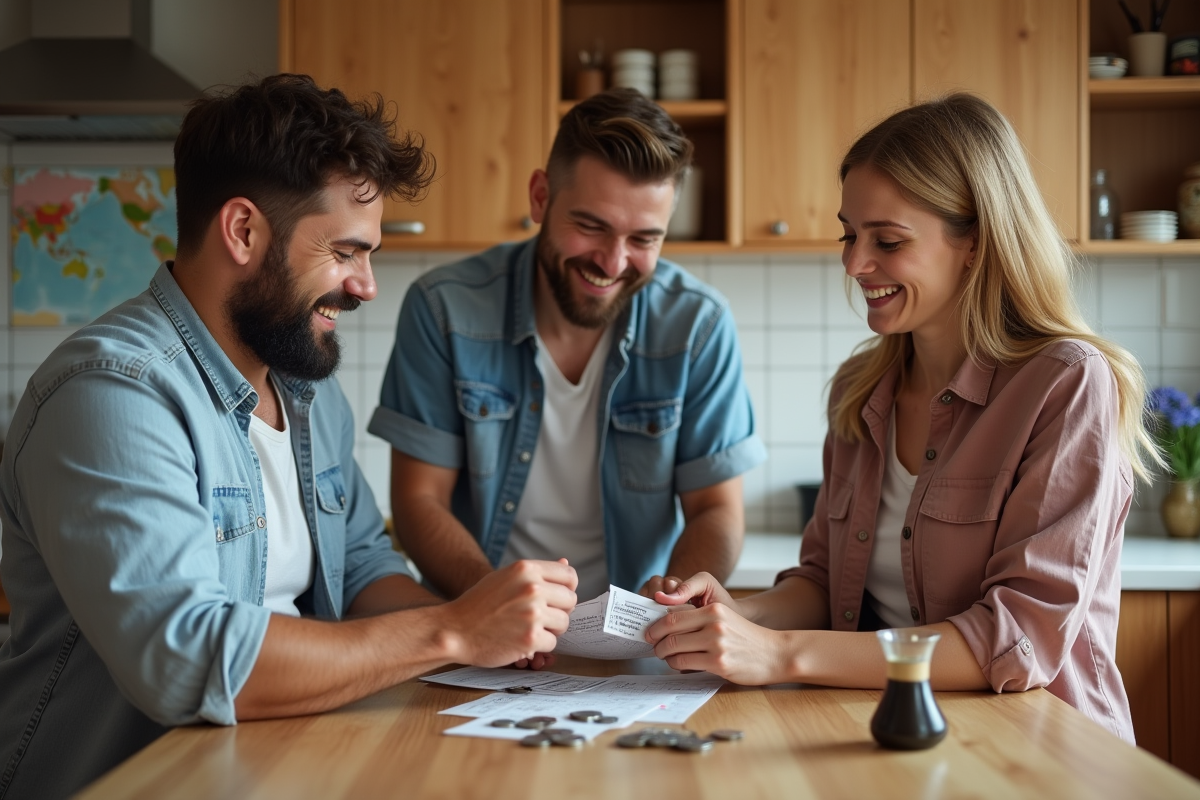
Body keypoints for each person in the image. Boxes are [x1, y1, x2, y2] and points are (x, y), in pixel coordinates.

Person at [0, 75, 577, 799]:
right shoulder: (112, 392)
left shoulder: (306, 388)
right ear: (243, 231)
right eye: (345, 251)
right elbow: (186, 661)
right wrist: (452, 632)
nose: (365, 285)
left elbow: (361, 569)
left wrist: (494, 634)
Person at [646, 93, 1155, 743]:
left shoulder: (1065, 382)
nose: (854, 264)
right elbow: (824, 582)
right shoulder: (859, 392)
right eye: (849, 235)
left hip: (1035, 747)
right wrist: (738, 614)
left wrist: (778, 653)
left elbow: (1017, 637)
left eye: (887, 240)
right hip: (882, 732)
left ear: (975, 242)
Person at [369, 88, 766, 603]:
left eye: (644, 239)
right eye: (591, 226)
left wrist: (670, 601)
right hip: (480, 622)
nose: (613, 262)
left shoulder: (698, 325)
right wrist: (497, 604)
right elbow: (420, 500)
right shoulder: (443, 308)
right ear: (541, 197)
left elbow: (717, 508)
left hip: (637, 633)